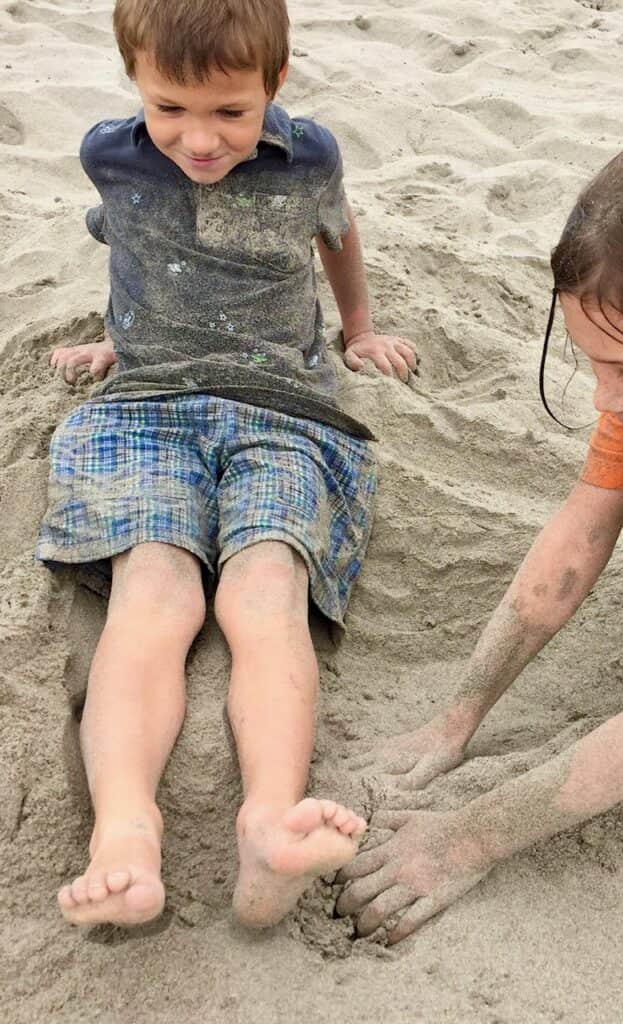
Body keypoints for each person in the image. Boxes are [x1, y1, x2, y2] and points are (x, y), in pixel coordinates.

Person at [337, 121, 623, 943]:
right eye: (594, 363)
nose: (607, 399)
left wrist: (468, 839)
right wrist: (454, 721)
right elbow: (576, 537)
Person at [38, 0, 417, 929]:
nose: (197, 140)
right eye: (169, 109)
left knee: (264, 588)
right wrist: (113, 340)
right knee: (154, 591)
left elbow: (339, 234)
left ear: (273, 88)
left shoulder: (311, 156)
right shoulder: (111, 154)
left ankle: (270, 819)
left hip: (282, 406)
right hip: (149, 403)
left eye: (229, 113)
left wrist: (359, 330)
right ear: (135, 83)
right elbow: (135, 243)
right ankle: (124, 829)